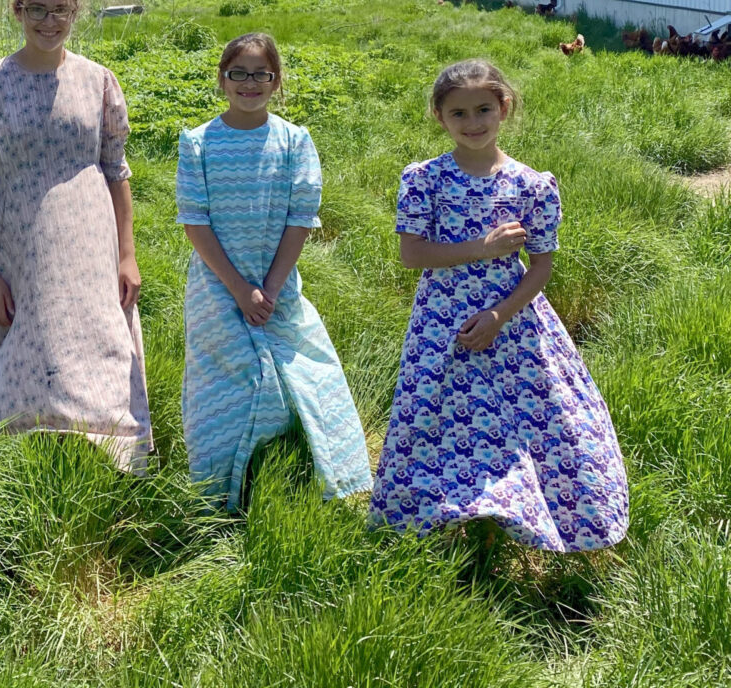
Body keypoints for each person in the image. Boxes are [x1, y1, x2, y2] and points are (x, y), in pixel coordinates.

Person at [369, 59, 628, 550]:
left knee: (533, 421)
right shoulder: (425, 179)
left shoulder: (531, 184)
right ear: (439, 118)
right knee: (438, 416)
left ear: (504, 107)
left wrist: (498, 315)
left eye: (483, 109)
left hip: (512, 322)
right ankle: (441, 521)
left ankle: (524, 519)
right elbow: (412, 254)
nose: (473, 123)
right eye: (459, 113)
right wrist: (483, 249)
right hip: (442, 319)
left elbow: (542, 267)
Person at [0, 0, 153, 470]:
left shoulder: (98, 82)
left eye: (59, 10)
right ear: (18, 11)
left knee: (98, 334)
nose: (48, 21)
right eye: (36, 9)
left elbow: (116, 172)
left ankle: (113, 445)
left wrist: (126, 255)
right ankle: (16, 447)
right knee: (28, 331)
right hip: (20, 242)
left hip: (91, 238)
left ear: (74, 13)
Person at [177, 33, 371, 510]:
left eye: (261, 73)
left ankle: (317, 475)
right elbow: (195, 222)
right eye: (238, 73)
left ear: (276, 81)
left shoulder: (294, 141)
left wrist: (270, 288)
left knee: (306, 372)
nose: (249, 83)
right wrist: (240, 289)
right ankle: (217, 494)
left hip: (277, 283)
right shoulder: (198, 143)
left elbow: (300, 218)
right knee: (226, 379)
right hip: (217, 283)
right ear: (222, 79)